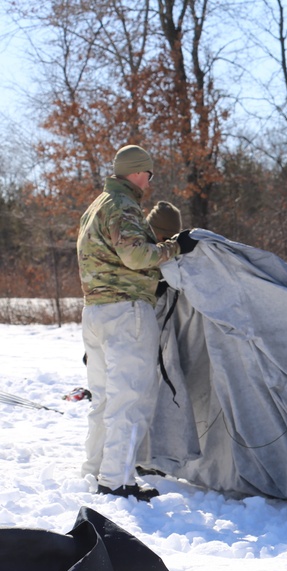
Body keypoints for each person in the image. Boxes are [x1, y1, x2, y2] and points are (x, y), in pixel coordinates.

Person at [78, 145, 199, 501]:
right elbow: (136, 256)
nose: (149, 179)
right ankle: (116, 480)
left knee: (102, 400)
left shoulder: (95, 206)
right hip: (126, 312)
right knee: (129, 399)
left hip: (94, 312)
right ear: (136, 172)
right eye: (149, 173)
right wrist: (175, 249)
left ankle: (95, 468)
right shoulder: (123, 205)